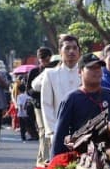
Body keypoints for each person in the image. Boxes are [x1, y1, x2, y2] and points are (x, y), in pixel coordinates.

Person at [52, 54, 110, 157]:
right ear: (79, 72)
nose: (97, 71)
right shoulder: (71, 99)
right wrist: (55, 165)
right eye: (91, 68)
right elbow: (59, 136)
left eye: (99, 67)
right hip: (81, 157)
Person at [36, 34, 84, 162]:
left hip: (84, 131)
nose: (71, 51)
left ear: (79, 51)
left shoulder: (86, 73)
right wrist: (52, 132)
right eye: (67, 48)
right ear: (60, 52)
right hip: (59, 131)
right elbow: (46, 104)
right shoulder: (50, 74)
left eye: (75, 48)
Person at [26, 47, 54, 162]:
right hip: (38, 105)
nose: (45, 62)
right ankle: (44, 159)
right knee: (43, 130)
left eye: (47, 60)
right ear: (39, 59)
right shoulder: (34, 72)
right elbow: (28, 90)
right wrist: (40, 90)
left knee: (51, 131)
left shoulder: (54, 70)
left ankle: (42, 157)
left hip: (52, 104)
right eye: (42, 60)